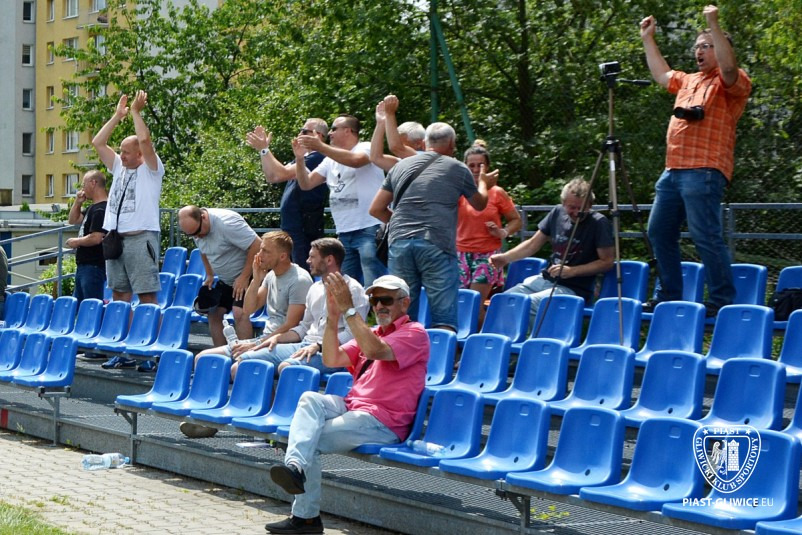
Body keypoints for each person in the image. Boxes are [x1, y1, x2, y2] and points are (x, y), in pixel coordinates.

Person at [265, 274, 429, 535]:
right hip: (355, 408)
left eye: (386, 300)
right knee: (309, 399)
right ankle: (294, 468)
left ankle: (306, 519)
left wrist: (349, 310)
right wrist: (333, 318)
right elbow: (331, 359)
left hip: (384, 420)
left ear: (405, 303)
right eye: (375, 300)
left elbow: (375, 351)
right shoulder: (370, 333)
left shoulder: (415, 333)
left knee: (308, 440)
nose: (379, 306)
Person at [639, 5, 751, 316]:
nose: (699, 51)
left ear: (721, 48)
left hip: (704, 169)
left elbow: (729, 70)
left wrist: (713, 23)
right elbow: (662, 74)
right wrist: (647, 38)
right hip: (672, 170)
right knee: (659, 232)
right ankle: (668, 295)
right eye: (697, 46)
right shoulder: (689, 80)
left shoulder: (731, 81)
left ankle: (721, 300)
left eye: (706, 46)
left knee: (705, 236)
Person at [180, 230, 312, 439]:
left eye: (265, 251)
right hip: (264, 339)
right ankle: (209, 417)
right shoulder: (270, 275)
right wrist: (256, 279)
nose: (259, 255)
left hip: (284, 342)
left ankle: (272, 420)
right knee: (203, 358)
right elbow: (249, 309)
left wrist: (256, 344)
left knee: (241, 366)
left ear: (282, 256)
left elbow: (291, 325)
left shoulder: (300, 280)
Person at [369, 122, 490, 332]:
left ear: (424, 143)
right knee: (443, 316)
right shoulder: (457, 168)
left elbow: (376, 209)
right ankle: (441, 352)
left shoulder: (400, 166)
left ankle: (402, 352)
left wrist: (401, 224)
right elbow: (479, 204)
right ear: (451, 143)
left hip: (399, 244)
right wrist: (484, 183)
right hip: (437, 244)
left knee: (402, 313)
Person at [233, 237, 369, 378]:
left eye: (312, 257)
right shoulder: (314, 288)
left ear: (329, 260)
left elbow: (353, 334)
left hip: (334, 352)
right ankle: (267, 393)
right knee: (243, 362)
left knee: (287, 368)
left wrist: (318, 345)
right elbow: (304, 327)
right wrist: (278, 338)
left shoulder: (353, 290)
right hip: (304, 344)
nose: (308, 261)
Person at [490, 178, 615, 324]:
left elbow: (607, 262)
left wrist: (572, 271)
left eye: (581, 208)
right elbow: (532, 244)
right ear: (563, 203)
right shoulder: (557, 213)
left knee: (528, 305)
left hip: (574, 288)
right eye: (572, 207)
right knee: (504, 300)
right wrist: (505, 258)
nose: (576, 213)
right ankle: (504, 336)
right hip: (545, 279)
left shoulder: (599, 223)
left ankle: (534, 337)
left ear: (590, 205)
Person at [293, 114, 387, 286]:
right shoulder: (330, 160)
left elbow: (356, 161)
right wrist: (300, 158)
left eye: (334, 129)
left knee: (374, 285)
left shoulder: (365, 147)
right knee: (346, 286)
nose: (330, 133)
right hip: (344, 231)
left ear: (348, 131)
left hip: (369, 227)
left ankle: (376, 305)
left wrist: (320, 147)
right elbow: (306, 184)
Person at [91, 91, 164, 306]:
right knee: (119, 296)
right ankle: (125, 328)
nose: (121, 156)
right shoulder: (118, 166)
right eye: (120, 151)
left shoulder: (151, 169)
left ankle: (150, 329)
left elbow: (144, 140)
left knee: (147, 296)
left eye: (126, 152)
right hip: (115, 239)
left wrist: (135, 112)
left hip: (140, 238)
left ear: (140, 154)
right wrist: (117, 116)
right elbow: (98, 142)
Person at [246, 120, 330, 268]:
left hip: (303, 227)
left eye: (305, 131)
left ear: (319, 135)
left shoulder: (318, 157)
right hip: (293, 226)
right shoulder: (304, 157)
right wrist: (263, 151)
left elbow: (281, 173)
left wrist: (265, 149)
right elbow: (272, 176)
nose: (300, 134)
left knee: (302, 270)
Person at [177, 206, 261, 346]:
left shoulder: (227, 223)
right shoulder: (196, 230)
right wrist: (210, 274)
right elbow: (203, 250)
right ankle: (220, 354)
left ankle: (245, 354)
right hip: (226, 280)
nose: (197, 237)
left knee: (239, 312)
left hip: (249, 276)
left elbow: (257, 245)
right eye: (191, 235)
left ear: (203, 217)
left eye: (197, 232)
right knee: (213, 313)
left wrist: (244, 277)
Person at [457, 144, 522, 317]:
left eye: (480, 165)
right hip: (460, 254)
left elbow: (516, 220)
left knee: (474, 304)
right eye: (471, 165)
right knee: (460, 304)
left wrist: (503, 232)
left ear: (487, 167)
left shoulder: (497, 193)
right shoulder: (459, 191)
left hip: (487, 255)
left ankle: (486, 334)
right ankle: (471, 334)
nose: (476, 170)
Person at [65, 170, 108, 304]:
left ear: (93, 183)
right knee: (79, 307)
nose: (82, 189)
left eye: (84, 184)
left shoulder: (101, 209)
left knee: (91, 307)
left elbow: (96, 237)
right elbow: (73, 220)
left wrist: (76, 242)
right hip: (84, 267)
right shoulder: (92, 208)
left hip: (93, 266)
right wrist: (78, 202)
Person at [369, 95, 425, 171]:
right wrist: (381, 123)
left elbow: (395, 147)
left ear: (418, 144)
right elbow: (375, 158)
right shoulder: (403, 162)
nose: (395, 142)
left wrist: (390, 114)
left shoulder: (423, 157)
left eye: (402, 144)